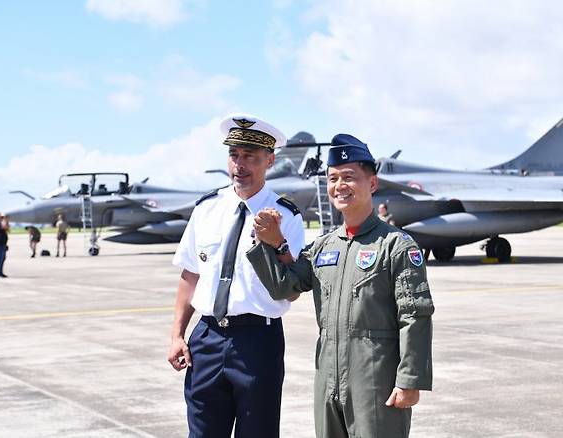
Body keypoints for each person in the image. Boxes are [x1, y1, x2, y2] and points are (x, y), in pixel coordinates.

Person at [247, 134, 434, 438]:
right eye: (333, 178)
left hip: (375, 377)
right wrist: (270, 243)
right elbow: (286, 287)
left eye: (349, 177)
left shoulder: (395, 246)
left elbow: (414, 315)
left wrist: (410, 379)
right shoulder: (323, 247)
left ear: (372, 184)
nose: (339, 186)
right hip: (327, 376)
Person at [167, 114, 306, 438]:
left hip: (257, 341)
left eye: (250, 157)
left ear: (269, 160)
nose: (239, 165)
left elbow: (293, 290)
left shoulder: (286, 215)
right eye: (234, 155)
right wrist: (177, 335)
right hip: (207, 338)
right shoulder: (206, 209)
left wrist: (276, 242)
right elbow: (191, 275)